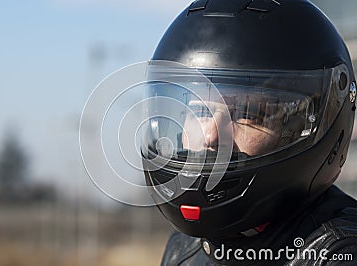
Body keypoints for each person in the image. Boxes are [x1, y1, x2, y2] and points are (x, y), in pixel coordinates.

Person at [140, 0, 357, 265]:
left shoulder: (338, 253)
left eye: (248, 114)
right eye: (198, 111)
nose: (210, 136)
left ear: (308, 126)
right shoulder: (185, 249)